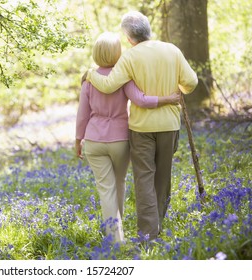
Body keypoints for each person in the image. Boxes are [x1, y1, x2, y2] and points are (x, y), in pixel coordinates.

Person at [84, 12, 198, 241]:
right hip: (168, 125)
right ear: (149, 30)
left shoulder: (129, 57)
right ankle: (157, 227)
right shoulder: (172, 50)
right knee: (163, 177)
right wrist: (177, 92)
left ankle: (148, 234)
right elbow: (191, 83)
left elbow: (107, 86)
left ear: (128, 38)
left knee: (144, 178)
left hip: (142, 128)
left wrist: (89, 74)